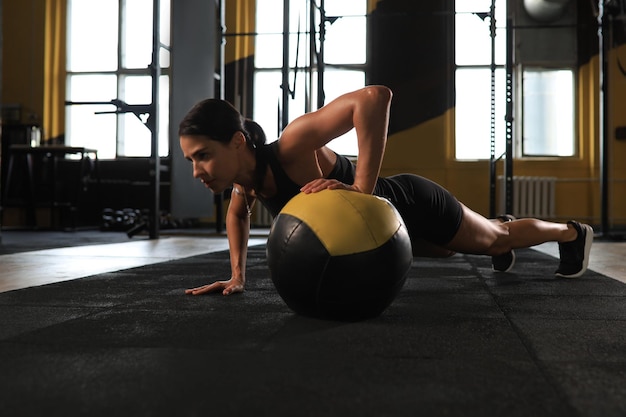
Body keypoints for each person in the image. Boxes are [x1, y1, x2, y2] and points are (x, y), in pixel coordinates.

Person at [178, 85, 594, 296]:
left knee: (494, 240)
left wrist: (362, 187)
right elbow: (238, 214)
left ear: (236, 141)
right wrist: (236, 277)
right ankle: (491, 230)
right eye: (191, 161)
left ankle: (572, 233)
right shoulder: (243, 182)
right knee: (450, 249)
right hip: (388, 234)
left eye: (203, 156)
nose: (198, 171)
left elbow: (375, 98)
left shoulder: (292, 145)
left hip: (412, 203)